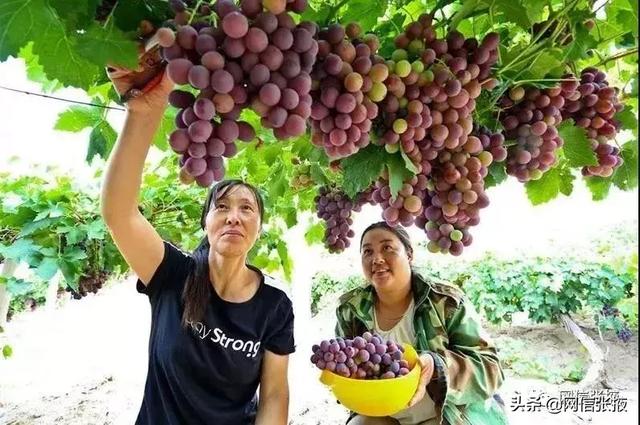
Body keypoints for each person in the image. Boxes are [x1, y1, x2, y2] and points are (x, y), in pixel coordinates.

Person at [100, 68, 294, 425]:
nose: (234, 216)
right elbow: (119, 214)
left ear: (259, 228)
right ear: (206, 222)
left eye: (246, 208)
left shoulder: (274, 307)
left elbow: (275, 394)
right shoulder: (172, 274)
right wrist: (143, 113)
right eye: (222, 207)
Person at [335, 222, 508, 425]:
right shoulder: (350, 310)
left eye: (387, 248)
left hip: (447, 416)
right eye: (367, 251)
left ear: (409, 254)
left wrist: (437, 367)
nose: (377, 259)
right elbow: (342, 370)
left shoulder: (445, 301)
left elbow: (491, 370)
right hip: (384, 416)